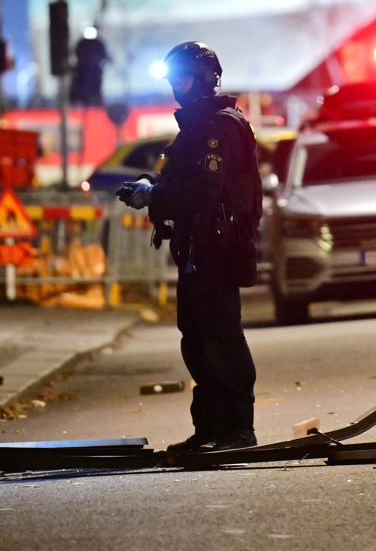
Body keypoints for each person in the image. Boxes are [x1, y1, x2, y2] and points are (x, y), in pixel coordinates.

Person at [116, 42, 261, 452]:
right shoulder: (197, 126)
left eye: (184, 78)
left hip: (217, 249)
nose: (178, 87)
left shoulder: (217, 128)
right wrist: (151, 186)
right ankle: (211, 429)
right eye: (174, 79)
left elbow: (205, 191)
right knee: (197, 339)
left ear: (206, 77)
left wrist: (156, 197)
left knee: (222, 337)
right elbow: (186, 182)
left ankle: (238, 429)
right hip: (197, 249)